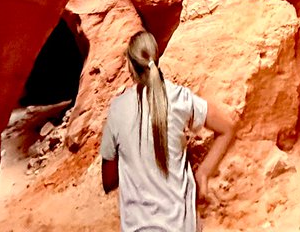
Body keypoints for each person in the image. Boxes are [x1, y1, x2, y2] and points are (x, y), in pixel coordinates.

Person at [100, 30, 237, 231]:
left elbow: (109, 180)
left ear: (130, 65)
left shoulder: (118, 109)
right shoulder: (180, 97)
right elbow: (227, 128)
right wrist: (203, 173)